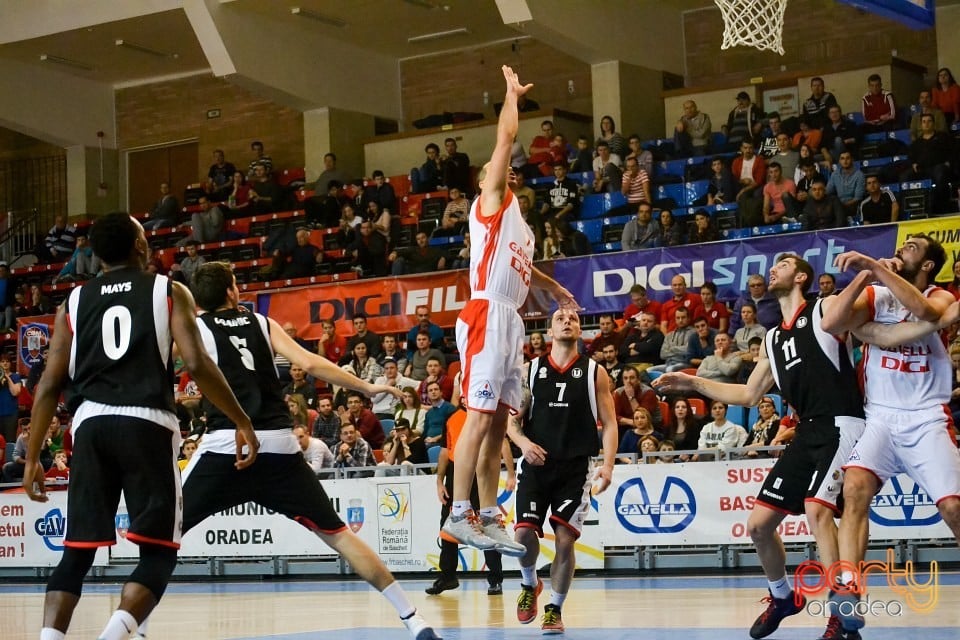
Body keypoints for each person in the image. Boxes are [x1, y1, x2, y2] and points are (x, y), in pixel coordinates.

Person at [21, 213, 257, 640]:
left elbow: (48, 386)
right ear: (140, 246)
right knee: (159, 553)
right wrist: (242, 420)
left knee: (74, 554)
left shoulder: (71, 302)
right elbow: (199, 364)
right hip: (147, 422)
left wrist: (33, 455)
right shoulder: (169, 290)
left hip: (89, 424)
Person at [178, 260, 440, 640]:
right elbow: (310, 362)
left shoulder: (194, 327)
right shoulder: (262, 324)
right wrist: (366, 388)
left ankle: (133, 629)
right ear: (233, 292)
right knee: (339, 534)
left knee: (163, 532)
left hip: (227, 445)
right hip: (280, 445)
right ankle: (413, 619)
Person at [653, 252, 867, 640]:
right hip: (806, 433)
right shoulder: (772, 337)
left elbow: (867, 307)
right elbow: (750, 394)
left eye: (783, 265)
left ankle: (841, 612)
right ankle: (783, 597)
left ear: (802, 276)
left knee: (817, 509)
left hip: (841, 423)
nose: (773, 270)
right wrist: (693, 383)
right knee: (758, 527)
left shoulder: (825, 309)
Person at [442, 66, 577, 556]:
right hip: (486, 314)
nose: (505, 171)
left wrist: (555, 287)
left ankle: (490, 513)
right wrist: (511, 97)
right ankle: (459, 515)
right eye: (496, 169)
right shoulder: (491, 200)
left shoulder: (522, 225)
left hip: (513, 320)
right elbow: (506, 136)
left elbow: (526, 269)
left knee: (499, 426)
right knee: (477, 419)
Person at [821, 238, 960, 636]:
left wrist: (875, 270)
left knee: (953, 508)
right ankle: (849, 590)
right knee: (855, 489)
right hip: (880, 416)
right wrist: (867, 274)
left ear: (929, 264)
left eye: (913, 246)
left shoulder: (940, 294)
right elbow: (833, 323)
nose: (903, 247)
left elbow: (925, 309)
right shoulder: (878, 293)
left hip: (926, 417)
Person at [507, 308, 617, 634]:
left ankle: (554, 607)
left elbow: (610, 425)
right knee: (523, 534)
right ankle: (530, 584)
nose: (567, 321)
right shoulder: (531, 370)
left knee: (566, 540)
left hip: (575, 468)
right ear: (549, 331)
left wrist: (608, 466)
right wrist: (524, 443)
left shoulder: (595, 372)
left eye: (573, 319)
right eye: (559, 318)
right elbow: (512, 424)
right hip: (536, 466)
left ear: (581, 330)